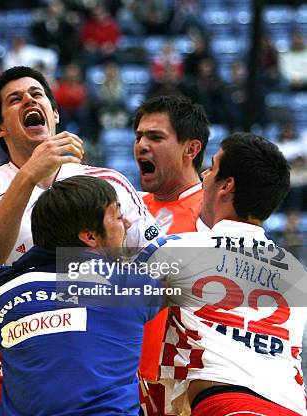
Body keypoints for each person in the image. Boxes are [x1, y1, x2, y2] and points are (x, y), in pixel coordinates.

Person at [0, 65, 160, 414]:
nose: (29, 100)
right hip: (5, 352)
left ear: (55, 113)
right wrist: (30, 175)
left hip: (92, 348)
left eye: (37, 95)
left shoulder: (108, 182)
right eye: (14, 99)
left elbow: (161, 264)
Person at [0, 175, 162, 415]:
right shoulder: (134, 287)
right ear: (90, 236)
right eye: (118, 216)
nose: (127, 224)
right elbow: (190, 269)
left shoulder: (2, 291)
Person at [142, 133, 306, 415]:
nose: (204, 175)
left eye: (212, 167)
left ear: (226, 185)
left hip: (230, 405)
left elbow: (92, 289)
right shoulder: (295, 272)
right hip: (291, 404)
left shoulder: (182, 249)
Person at [132, 94, 210, 415]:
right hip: (127, 374)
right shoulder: (131, 205)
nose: (140, 145)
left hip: (183, 381)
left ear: (191, 150)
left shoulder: (213, 215)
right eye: (138, 136)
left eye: (155, 137)